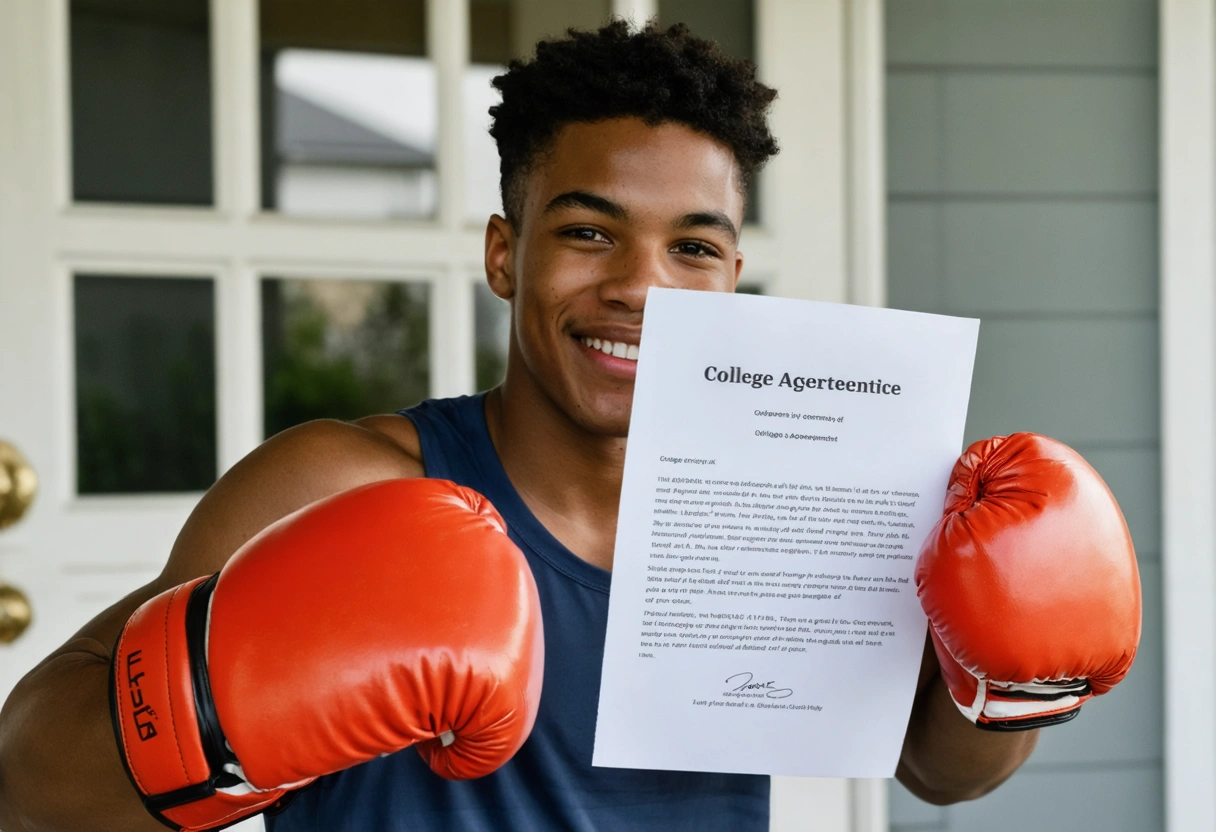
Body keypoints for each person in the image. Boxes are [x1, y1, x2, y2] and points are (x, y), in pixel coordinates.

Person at [0, 21, 1139, 832]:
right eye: (590, 232)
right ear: (507, 252)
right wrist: (233, 702)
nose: (641, 287)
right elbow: (36, 785)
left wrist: (1019, 663)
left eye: (692, 247)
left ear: (732, 278)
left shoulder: (807, 505)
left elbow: (943, 776)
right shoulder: (337, 479)